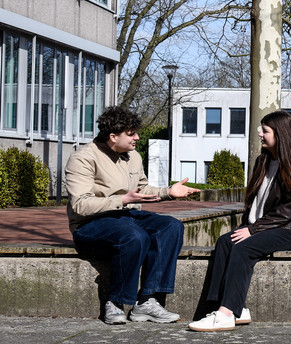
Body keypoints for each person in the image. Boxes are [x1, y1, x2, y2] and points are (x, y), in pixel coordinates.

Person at [66, 106, 200, 325]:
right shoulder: (83, 158)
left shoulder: (133, 156)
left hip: (125, 217)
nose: (137, 137)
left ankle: (147, 301)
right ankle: (116, 302)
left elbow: (142, 190)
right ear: (112, 136)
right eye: (131, 134)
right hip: (89, 226)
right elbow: (80, 205)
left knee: (171, 226)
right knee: (134, 235)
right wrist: (122, 200)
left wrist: (168, 192)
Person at [188, 111, 291, 332]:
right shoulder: (264, 161)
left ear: (280, 134)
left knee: (243, 248)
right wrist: (247, 226)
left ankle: (226, 313)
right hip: (265, 225)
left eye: (265, 130)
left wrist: (253, 229)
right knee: (224, 242)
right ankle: (231, 308)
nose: (260, 133)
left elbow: (288, 210)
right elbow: (256, 201)